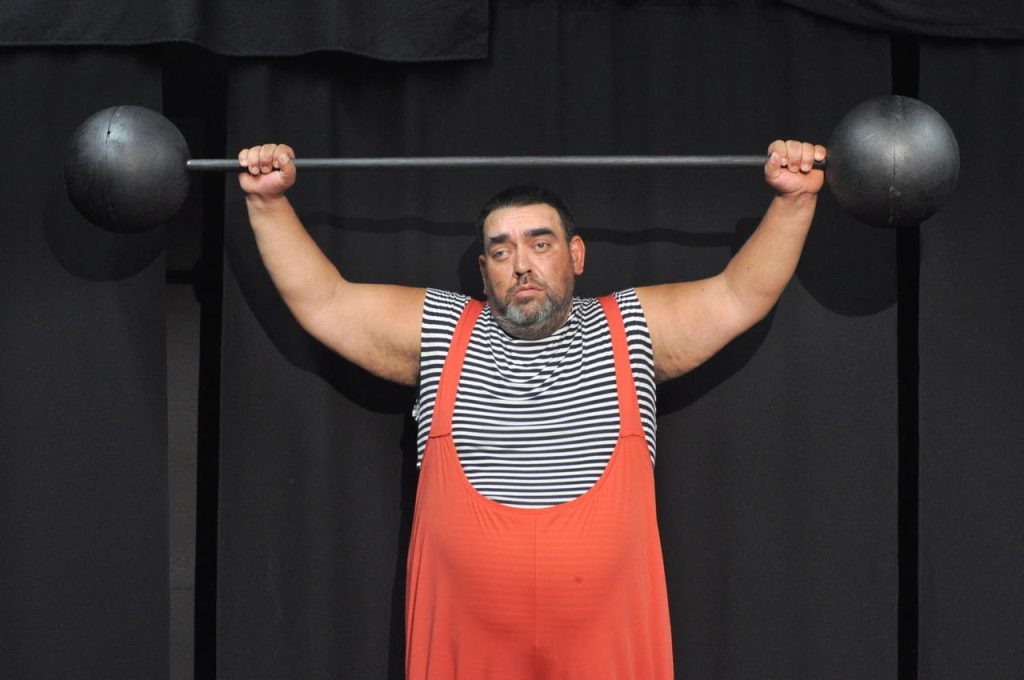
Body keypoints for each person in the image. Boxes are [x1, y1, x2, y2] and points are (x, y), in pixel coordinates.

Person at [238, 139, 826, 679]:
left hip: (607, 647)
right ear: (484, 271)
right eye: (501, 250)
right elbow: (326, 302)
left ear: (575, 254)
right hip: (466, 650)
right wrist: (267, 203)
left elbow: (737, 294)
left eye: (540, 244)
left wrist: (794, 200)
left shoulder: (631, 327)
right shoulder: (440, 328)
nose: (521, 263)